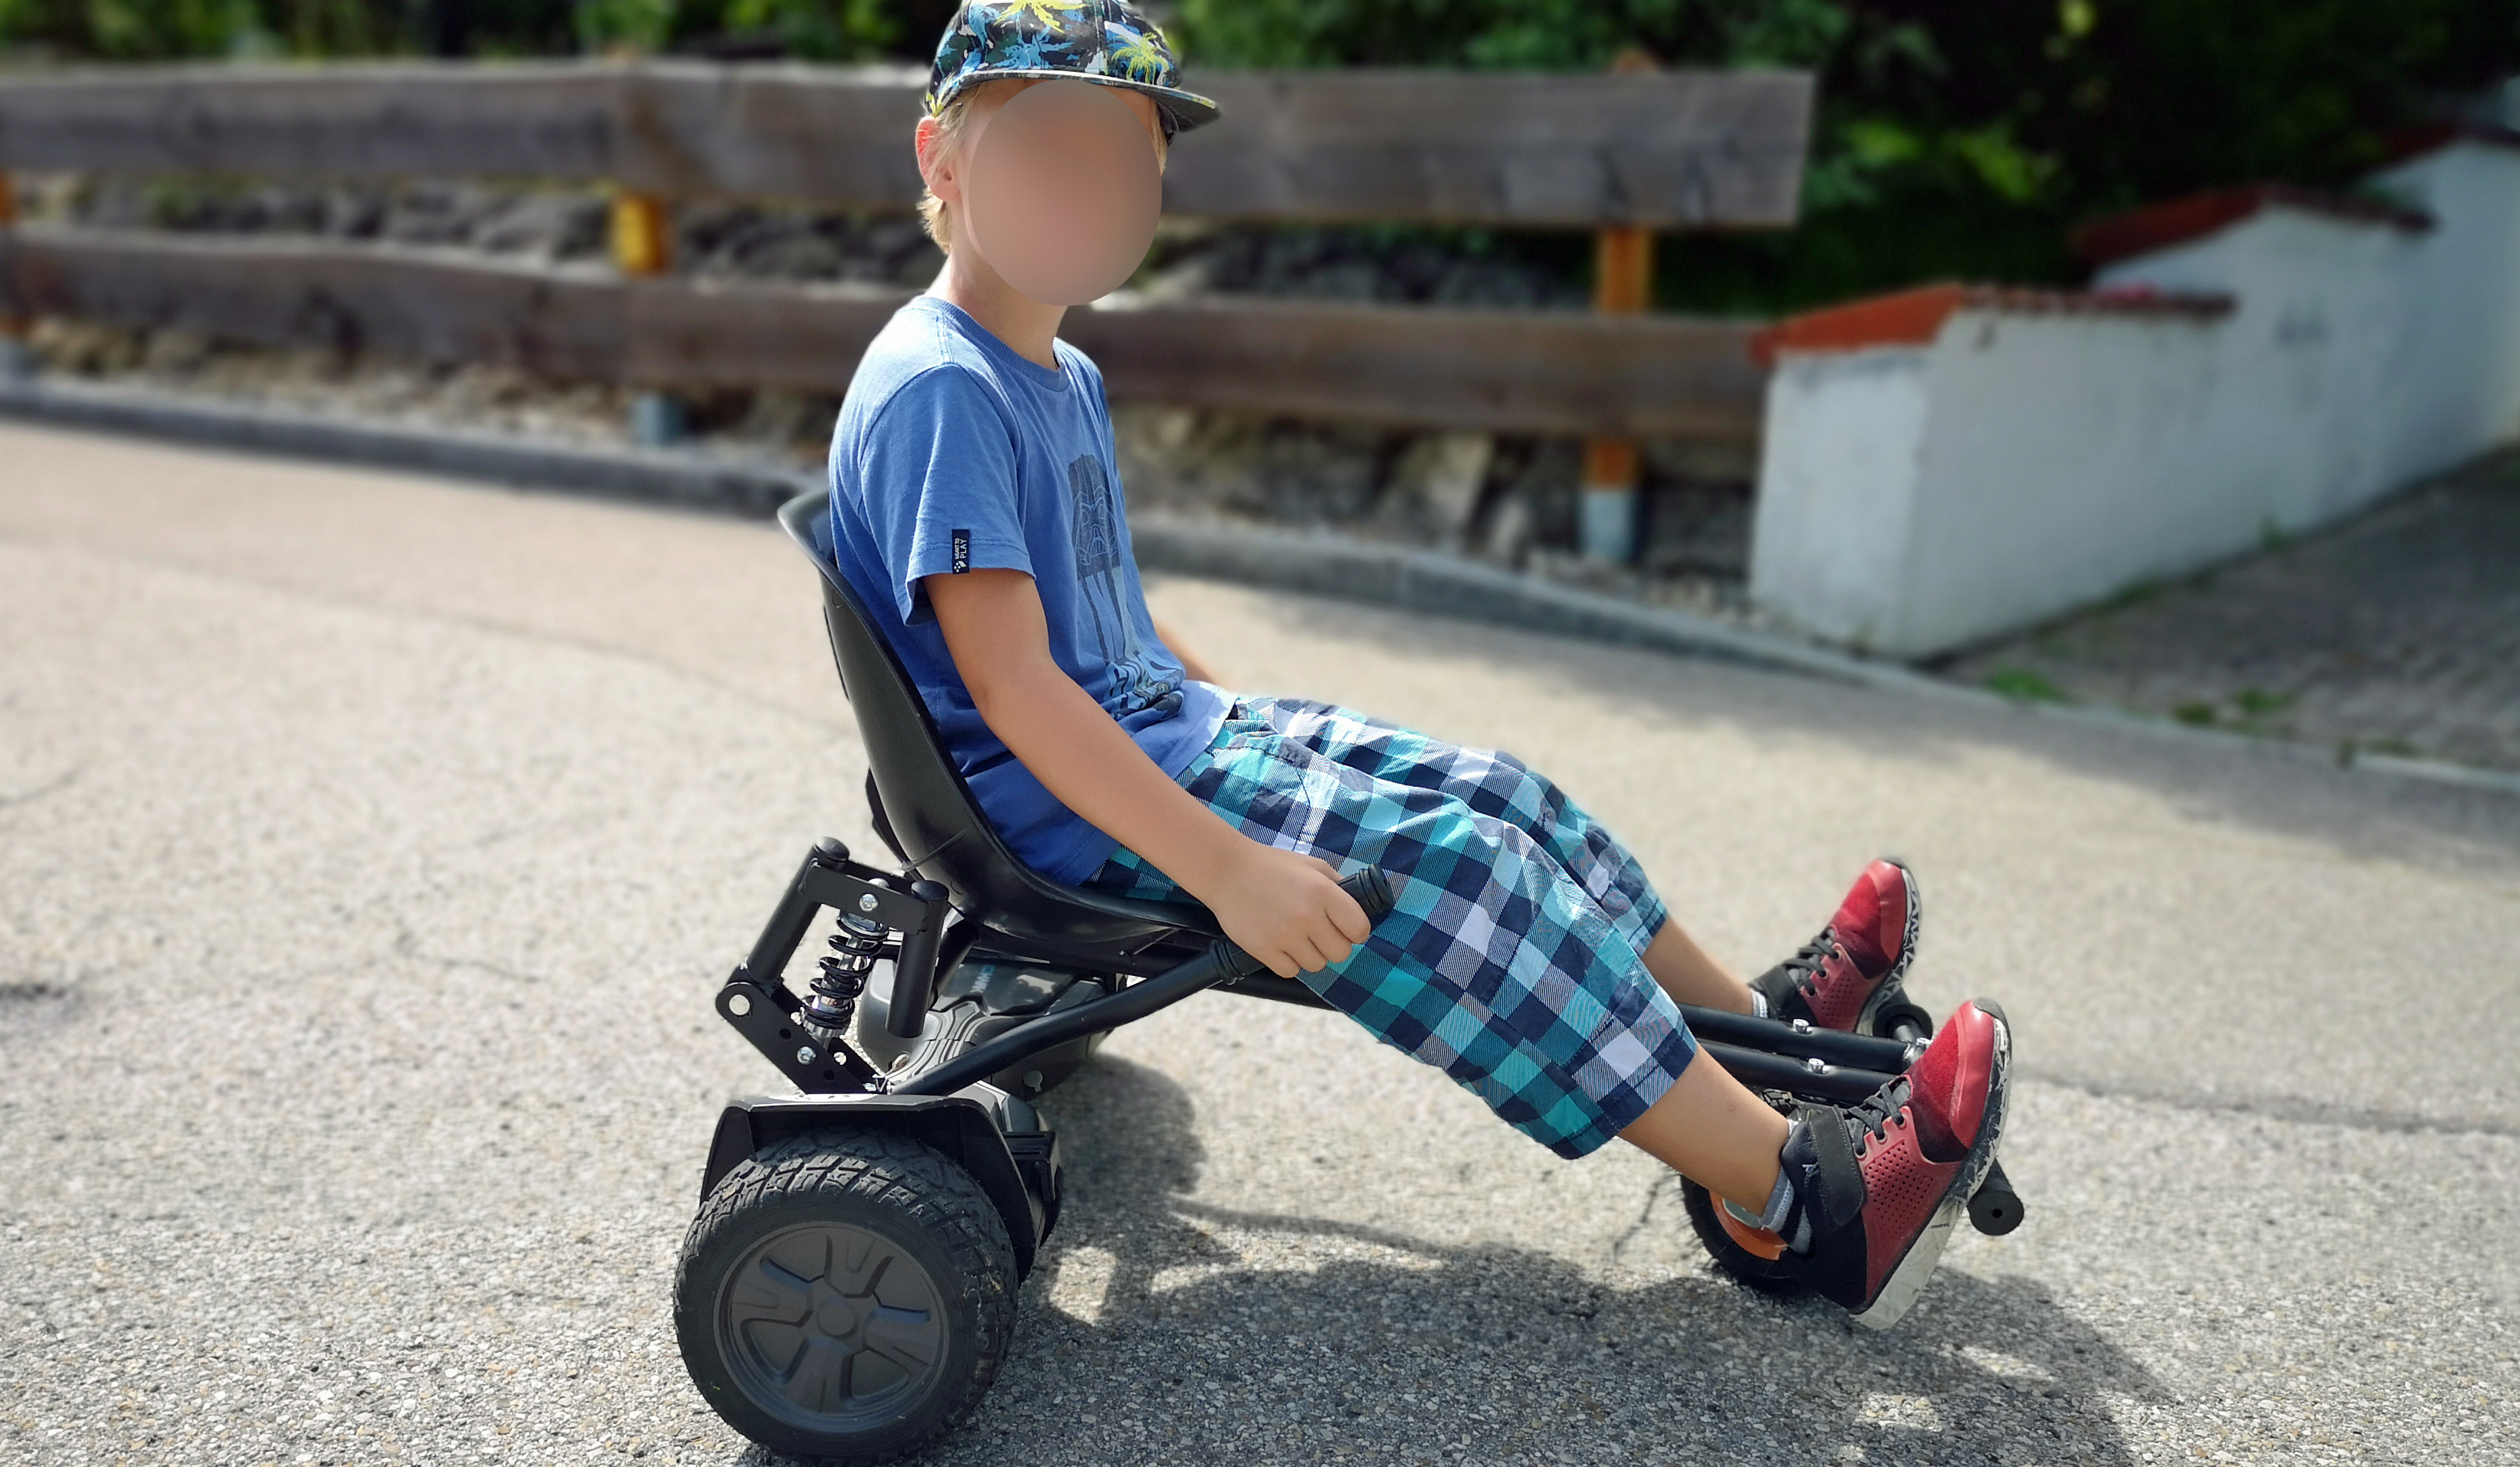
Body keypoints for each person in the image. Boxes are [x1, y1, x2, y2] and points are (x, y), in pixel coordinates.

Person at [825, 0, 2010, 1330]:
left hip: (1165, 737)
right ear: (941, 160)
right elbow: (1016, 687)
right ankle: (1804, 1202)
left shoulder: (1056, 370)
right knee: (1468, 881)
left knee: (1504, 796)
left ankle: (1764, 1025)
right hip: (1066, 812)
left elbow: (1110, 621)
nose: (1085, 188)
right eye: (1045, 150)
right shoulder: (945, 388)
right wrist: (1230, 869)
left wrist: (1244, 721)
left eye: (1120, 159)